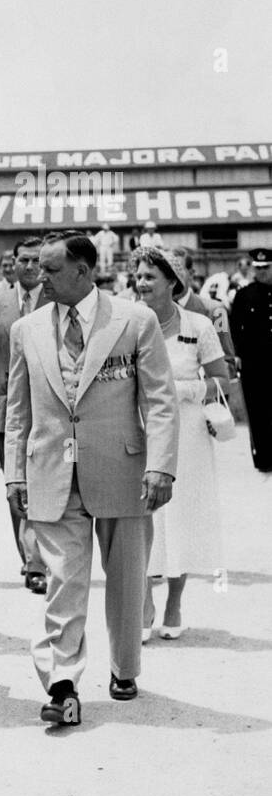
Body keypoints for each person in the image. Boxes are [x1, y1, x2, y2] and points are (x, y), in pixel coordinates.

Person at [5, 229, 178, 727]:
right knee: (63, 581)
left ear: (83, 271)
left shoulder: (135, 320)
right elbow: (17, 411)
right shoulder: (28, 329)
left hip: (123, 470)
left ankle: (125, 668)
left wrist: (161, 465)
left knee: (126, 579)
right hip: (52, 473)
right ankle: (62, 685)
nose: (41, 277)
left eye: (52, 269)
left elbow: (160, 400)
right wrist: (15, 471)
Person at [132, 248, 228, 641]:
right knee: (140, 518)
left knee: (182, 518)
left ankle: (174, 604)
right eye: (138, 276)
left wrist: (179, 389)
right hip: (140, 430)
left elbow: (223, 381)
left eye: (150, 277)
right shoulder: (129, 322)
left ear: (173, 281)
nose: (141, 283)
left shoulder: (199, 325)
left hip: (188, 435)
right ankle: (143, 604)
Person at [0, 237, 48, 594]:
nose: (30, 267)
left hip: (49, 409)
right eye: (23, 260)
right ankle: (29, 558)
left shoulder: (57, 299)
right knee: (16, 484)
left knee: (45, 481)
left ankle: (42, 558)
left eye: (37, 260)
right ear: (14, 262)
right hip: (6, 408)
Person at [230, 247, 272, 473]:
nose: (262, 272)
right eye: (259, 268)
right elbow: (233, 327)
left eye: (266, 268)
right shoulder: (244, 294)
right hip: (254, 363)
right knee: (258, 412)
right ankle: (264, 457)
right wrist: (235, 353)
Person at [171, 246, 236, 375]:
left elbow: (228, 363)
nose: (173, 277)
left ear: (191, 274)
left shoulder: (216, 311)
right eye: (168, 272)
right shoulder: (154, 312)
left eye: (178, 270)